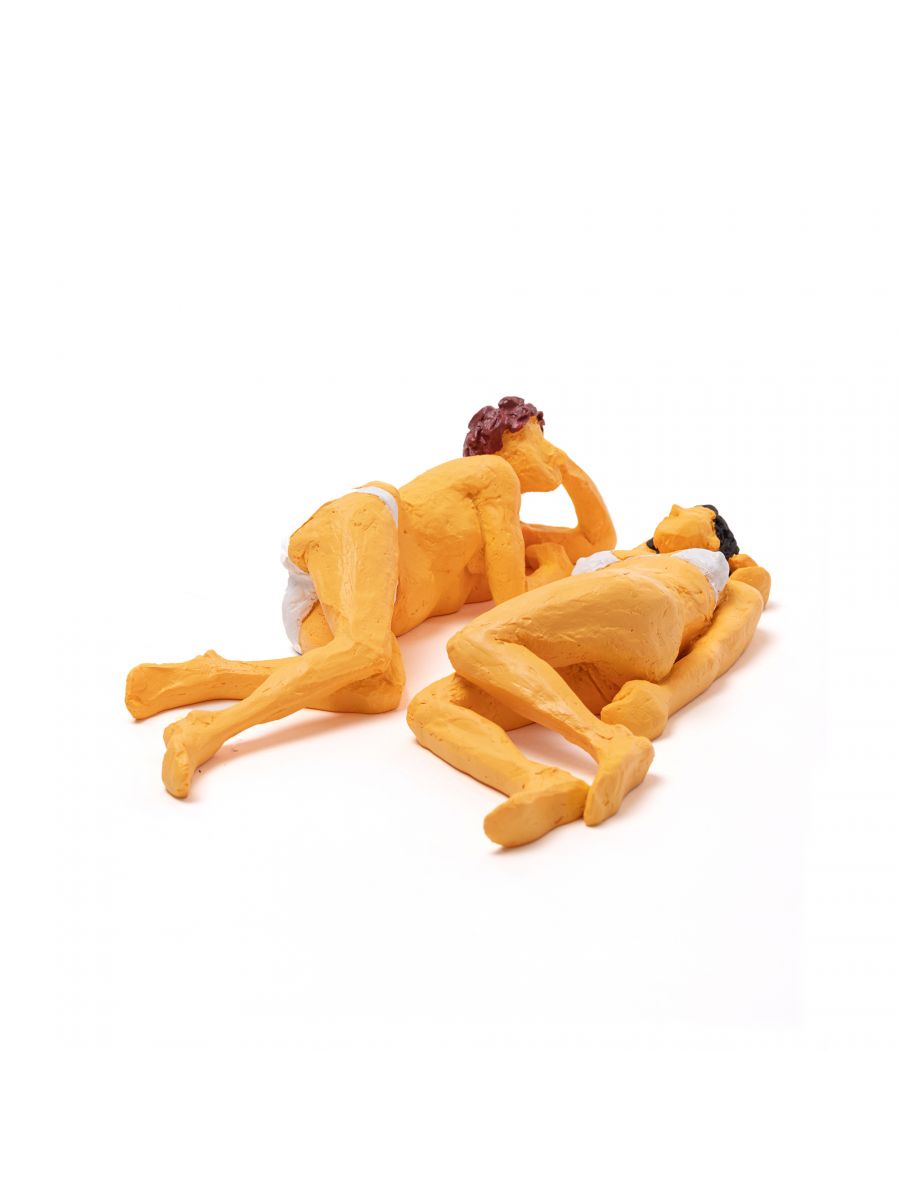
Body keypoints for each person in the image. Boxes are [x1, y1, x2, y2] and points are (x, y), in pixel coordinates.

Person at [125, 397, 616, 798]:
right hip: (363, 522)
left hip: (329, 605)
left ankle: (204, 675)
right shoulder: (493, 476)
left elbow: (597, 541)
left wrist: (565, 469)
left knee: (380, 689)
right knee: (366, 650)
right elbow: (511, 605)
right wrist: (551, 570)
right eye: (539, 437)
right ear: (507, 442)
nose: (552, 452)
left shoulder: (499, 538)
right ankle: (208, 731)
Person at [407, 504, 770, 847]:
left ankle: (608, 743)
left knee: (474, 640)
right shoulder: (624, 557)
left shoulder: (727, 584)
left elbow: (714, 653)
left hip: (643, 605)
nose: (674, 508)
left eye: (691, 512)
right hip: (594, 664)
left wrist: (666, 698)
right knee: (431, 707)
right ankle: (539, 783)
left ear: (713, 541)